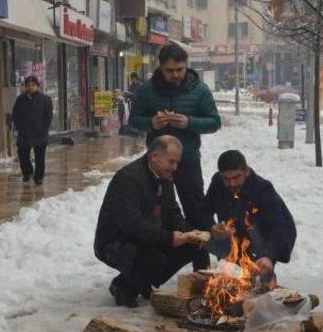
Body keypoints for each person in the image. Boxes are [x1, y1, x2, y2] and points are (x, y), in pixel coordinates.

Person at [129, 43, 221, 271]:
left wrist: (190, 122)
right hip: (156, 165)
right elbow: (133, 120)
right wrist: (151, 122)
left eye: (180, 69)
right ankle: (151, 266)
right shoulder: (147, 90)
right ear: (160, 67)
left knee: (196, 211)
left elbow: (214, 122)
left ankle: (202, 267)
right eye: (170, 70)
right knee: (156, 214)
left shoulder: (199, 89)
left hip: (188, 161)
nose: (176, 74)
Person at [94, 135, 205, 308]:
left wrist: (190, 233)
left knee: (190, 246)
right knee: (153, 259)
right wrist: (168, 238)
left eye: (177, 163)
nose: (175, 168)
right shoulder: (128, 179)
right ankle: (123, 286)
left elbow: (172, 212)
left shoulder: (164, 176)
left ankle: (144, 281)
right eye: (171, 162)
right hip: (117, 241)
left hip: (147, 236)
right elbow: (131, 224)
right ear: (154, 157)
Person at [204, 150, 296, 290]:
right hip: (234, 232)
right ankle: (233, 271)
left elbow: (277, 227)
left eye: (236, 177)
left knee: (254, 236)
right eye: (226, 179)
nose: (231, 183)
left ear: (246, 171)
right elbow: (204, 210)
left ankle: (265, 274)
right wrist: (212, 227)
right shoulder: (218, 182)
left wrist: (268, 256)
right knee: (200, 235)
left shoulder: (263, 189)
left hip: (268, 234)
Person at [10, 76, 53, 185]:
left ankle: (39, 177)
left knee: (40, 157)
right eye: (28, 85)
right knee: (23, 155)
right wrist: (18, 127)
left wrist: (43, 128)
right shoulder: (20, 99)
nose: (30, 87)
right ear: (25, 86)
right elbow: (15, 114)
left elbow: (48, 116)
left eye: (33, 85)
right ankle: (27, 172)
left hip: (40, 133)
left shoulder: (45, 99)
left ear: (37, 86)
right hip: (24, 133)